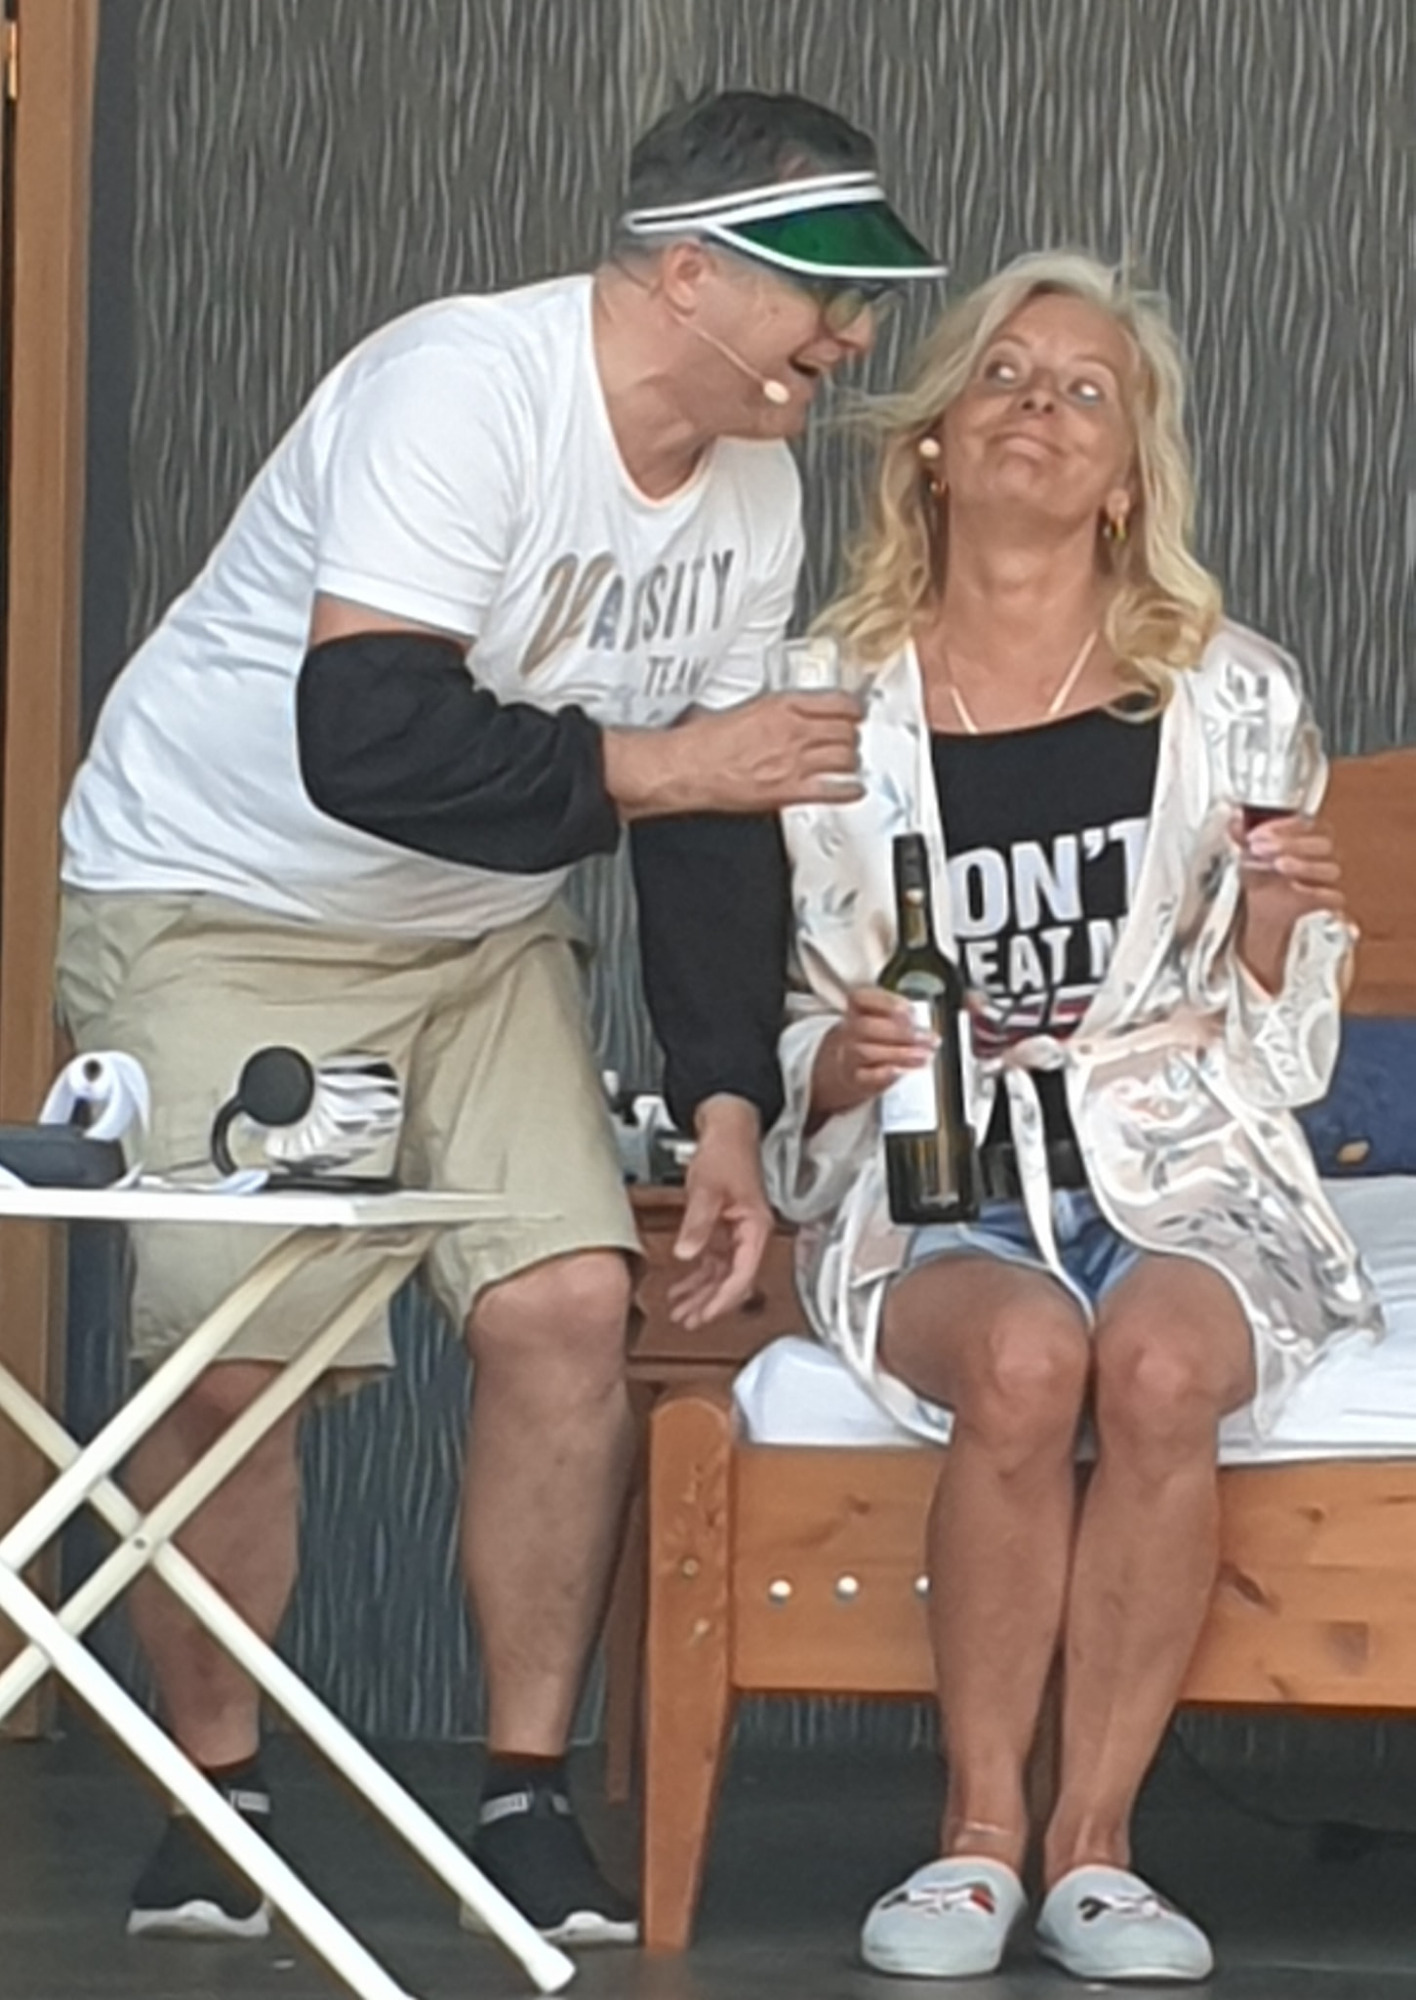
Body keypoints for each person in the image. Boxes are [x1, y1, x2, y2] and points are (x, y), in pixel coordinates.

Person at [57, 90, 944, 1946]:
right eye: (823, 297)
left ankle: (524, 1800)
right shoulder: (460, 389)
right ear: (688, 276)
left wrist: (725, 1103)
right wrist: (669, 761)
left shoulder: (755, 481)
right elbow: (368, 736)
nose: (853, 342)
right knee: (232, 1364)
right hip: (230, 897)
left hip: (476, 936)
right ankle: (216, 1805)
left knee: (569, 1309)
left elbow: (715, 820)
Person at [760, 250, 1383, 1984]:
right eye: (1005, 377)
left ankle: (1094, 1850)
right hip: (937, 1172)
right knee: (1029, 1360)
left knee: (1162, 1366)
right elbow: (777, 1004)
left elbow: (1292, 1053)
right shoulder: (830, 698)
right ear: (935, 441)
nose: (1039, 407)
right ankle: (975, 1840)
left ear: (1125, 477)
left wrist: (1275, 929)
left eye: (1085, 391)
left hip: (1177, 1162)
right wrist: (838, 1061)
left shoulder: (1230, 693)